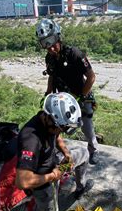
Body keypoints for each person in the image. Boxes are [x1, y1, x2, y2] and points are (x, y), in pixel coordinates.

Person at [15, 92, 94, 211]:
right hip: (44, 183)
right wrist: (52, 176)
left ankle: (80, 187)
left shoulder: (47, 119)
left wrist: (66, 152)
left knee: (83, 153)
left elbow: (56, 135)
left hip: (55, 166)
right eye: (60, 128)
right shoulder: (30, 140)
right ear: (50, 119)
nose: (60, 131)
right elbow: (22, 181)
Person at [36, 18, 100, 165]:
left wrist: (82, 96)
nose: (50, 47)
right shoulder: (50, 58)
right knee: (55, 125)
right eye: (45, 43)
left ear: (58, 37)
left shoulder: (74, 54)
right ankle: (56, 151)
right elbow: (52, 76)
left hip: (81, 95)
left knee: (86, 125)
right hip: (62, 98)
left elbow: (91, 77)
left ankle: (93, 150)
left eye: (51, 41)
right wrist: (47, 94)